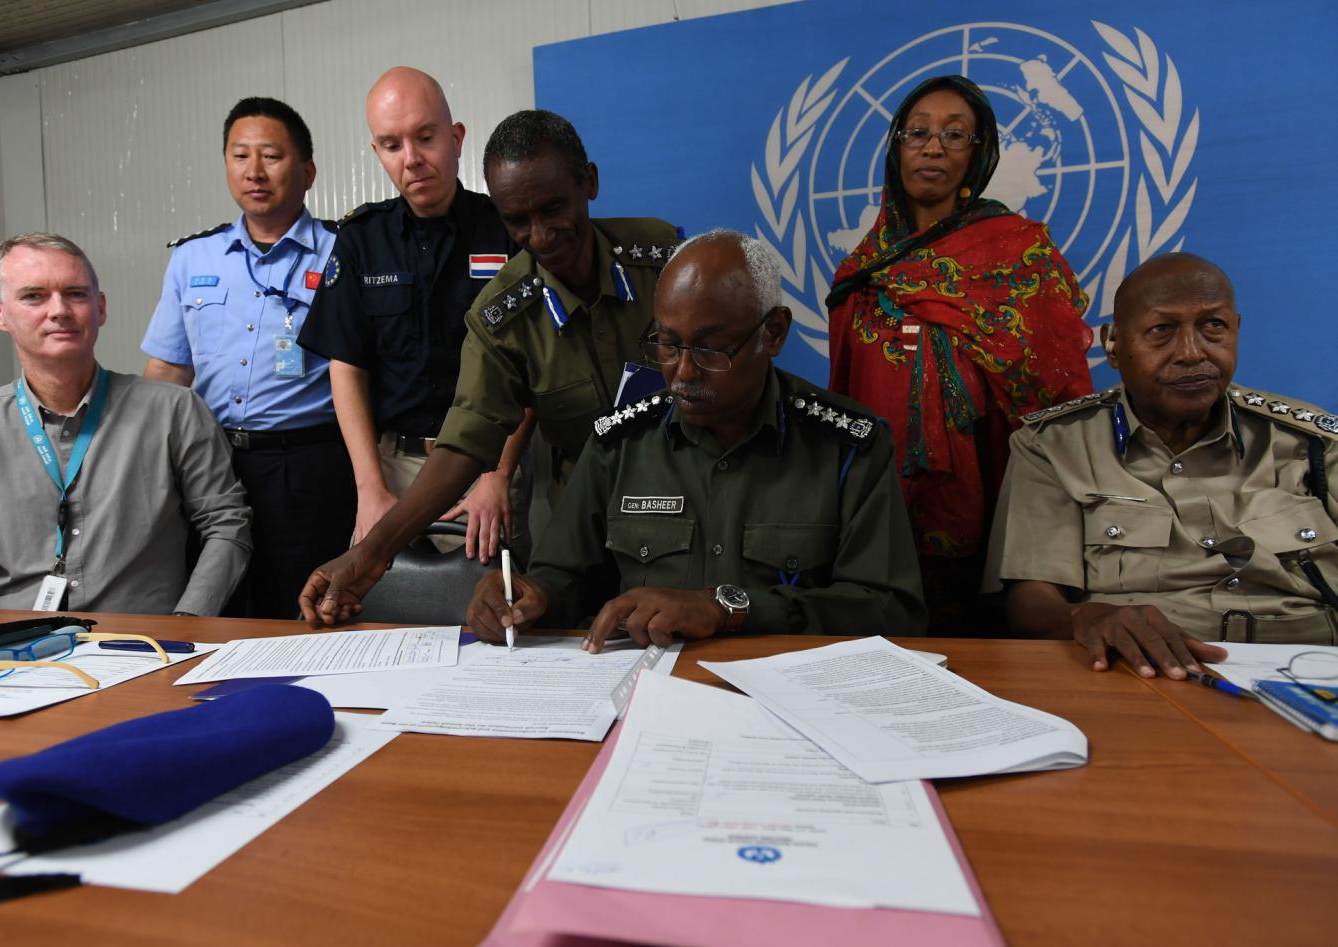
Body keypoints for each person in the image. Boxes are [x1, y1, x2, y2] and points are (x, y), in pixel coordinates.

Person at [299, 109, 679, 626]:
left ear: (588, 182)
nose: (539, 236)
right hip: (590, 525)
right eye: (517, 220)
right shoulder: (502, 315)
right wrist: (371, 554)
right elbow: (464, 442)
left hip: (691, 509)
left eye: (553, 208)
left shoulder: (664, 260)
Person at [464, 230, 927, 649]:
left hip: (788, 697)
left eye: (709, 349)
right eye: (668, 344)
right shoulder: (618, 443)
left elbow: (892, 611)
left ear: (774, 332)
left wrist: (726, 608)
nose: (683, 373)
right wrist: (526, 598)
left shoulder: (847, 447)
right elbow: (563, 580)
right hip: (646, 695)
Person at [984, 253, 1338, 678]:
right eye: (1161, 330)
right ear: (1113, 345)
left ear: (1236, 330)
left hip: (1311, 668)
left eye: (1213, 326)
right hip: (1150, 674)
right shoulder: (1055, 446)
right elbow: (1031, 602)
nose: (1191, 352)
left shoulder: (1311, 442)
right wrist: (1088, 617)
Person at [825, 75, 1094, 635]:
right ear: (897, 147)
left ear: (978, 153)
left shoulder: (1017, 251)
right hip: (883, 504)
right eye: (917, 133)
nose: (933, 148)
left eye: (954, 135)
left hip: (996, 492)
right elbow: (844, 398)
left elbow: (1057, 384)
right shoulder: (860, 273)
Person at [0, 233, 251, 615]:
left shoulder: (174, 412)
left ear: (100, 308)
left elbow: (227, 526)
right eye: (34, 296)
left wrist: (186, 623)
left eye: (75, 294)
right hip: (18, 645)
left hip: (151, 641)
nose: (59, 310)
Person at [295, 68, 522, 562]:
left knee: (491, 602)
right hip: (393, 466)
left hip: (488, 465)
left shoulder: (505, 231)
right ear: (377, 152)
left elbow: (532, 366)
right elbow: (346, 366)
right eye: (392, 145)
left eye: (425, 137)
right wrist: (369, 487)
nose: (412, 159)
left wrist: (497, 475)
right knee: (375, 600)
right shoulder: (360, 240)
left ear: (456, 138)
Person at [141, 97, 353, 618]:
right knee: (218, 605)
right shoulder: (193, 257)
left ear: (307, 172)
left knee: (303, 608)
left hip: (308, 462)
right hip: (210, 462)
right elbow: (168, 373)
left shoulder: (344, 251)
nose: (254, 171)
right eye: (240, 156)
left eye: (271, 156)